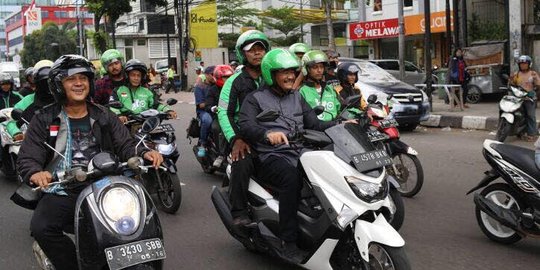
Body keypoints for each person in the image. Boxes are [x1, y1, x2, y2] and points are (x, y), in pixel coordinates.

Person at [17, 54, 164, 270]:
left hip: (106, 186)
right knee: (42, 228)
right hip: (64, 189)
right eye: (71, 79)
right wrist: (35, 171)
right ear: (59, 85)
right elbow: (29, 155)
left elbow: (125, 143)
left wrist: (143, 152)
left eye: (83, 78)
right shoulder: (44, 118)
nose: (79, 83)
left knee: (142, 221)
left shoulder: (103, 114)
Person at [238, 48, 348, 263]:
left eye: (292, 72)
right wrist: (267, 133)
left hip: (301, 151)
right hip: (271, 156)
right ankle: (288, 240)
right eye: (283, 72)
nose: (289, 76)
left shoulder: (297, 97)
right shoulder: (255, 99)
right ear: (271, 74)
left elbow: (315, 124)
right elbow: (246, 125)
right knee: (292, 179)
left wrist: (341, 125)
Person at [217, 29, 270, 227]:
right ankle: (238, 210)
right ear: (242, 54)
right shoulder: (234, 81)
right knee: (242, 162)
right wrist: (236, 139)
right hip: (245, 138)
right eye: (251, 50)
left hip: (272, 134)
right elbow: (224, 112)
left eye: (260, 49)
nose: (257, 53)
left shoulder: (271, 78)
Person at [110, 59, 177, 123]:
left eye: (138, 75)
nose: (136, 78)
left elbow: (156, 105)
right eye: (133, 75)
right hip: (126, 125)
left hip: (145, 124)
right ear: (127, 76)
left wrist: (168, 110)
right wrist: (119, 115)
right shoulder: (118, 90)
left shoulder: (147, 92)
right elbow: (112, 107)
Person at [6, 60, 55, 141]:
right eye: (42, 81)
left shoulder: (66, 101)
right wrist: (17, 133)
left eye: (50, 81)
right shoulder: (28, 100)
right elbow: (12, 122)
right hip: (35, 143)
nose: (46, 85)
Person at [298, 50, 341, 121]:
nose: (319, 70)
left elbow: (341, 108)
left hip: (334, 129)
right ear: (307, 69)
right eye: (315, 67)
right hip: (313, 131)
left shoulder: (329, 89)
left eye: (321, 67)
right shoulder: (302, 91)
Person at [206, 65, 234, 167]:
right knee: (217, 128)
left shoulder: (235, 87)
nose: (228, 79)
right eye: (225, 77)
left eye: (230, 77)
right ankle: (221, 154)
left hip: (234, 115)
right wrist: (214, 108)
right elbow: (208, 105)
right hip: (219, 116)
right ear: (218, 77)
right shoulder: (213, 90)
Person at [509, 55, 540, 141]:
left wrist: (535, 89)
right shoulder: (516, 74)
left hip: (529, 98)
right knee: (519, 116)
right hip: (518, 98)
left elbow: (538, 84)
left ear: (529, 64)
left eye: (525, 64)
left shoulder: (533, 74)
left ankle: (532, 134)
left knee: (530, 116)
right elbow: (512, 84)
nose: (523, 65)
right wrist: (511, 79)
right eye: (521, 64)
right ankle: (520, 132)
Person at [194, 65, 216, 157]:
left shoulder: (217, 86)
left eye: (216, 74)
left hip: (217, 110)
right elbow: (200, 104)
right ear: (206, 75)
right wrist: (212, 105)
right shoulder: (200, 87)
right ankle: (202, 143)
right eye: (212, 74)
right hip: (204, 111)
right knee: (207, 120)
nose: (214, 76)